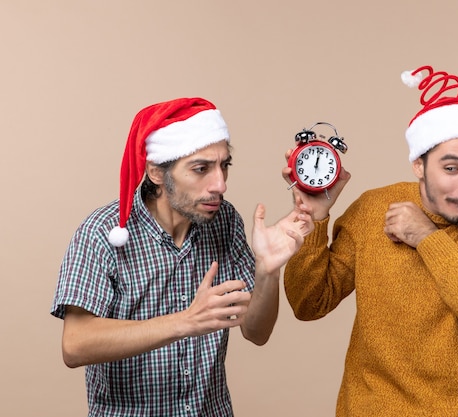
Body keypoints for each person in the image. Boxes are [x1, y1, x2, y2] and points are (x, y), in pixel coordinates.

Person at [282, 65, 458, 416]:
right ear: (418, 164)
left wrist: (427, 238)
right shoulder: (373, 208)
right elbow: (309, 304)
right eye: (451, 168)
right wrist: (315, 217)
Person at [50, 97, 313, 417]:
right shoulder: (102, 232)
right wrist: (186, 322)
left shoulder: (224, 221)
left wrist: (267, 271)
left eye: (224, 165)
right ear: (157, 173)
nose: (220, 184)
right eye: (201, 169)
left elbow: (256, 332)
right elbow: (75, 345)